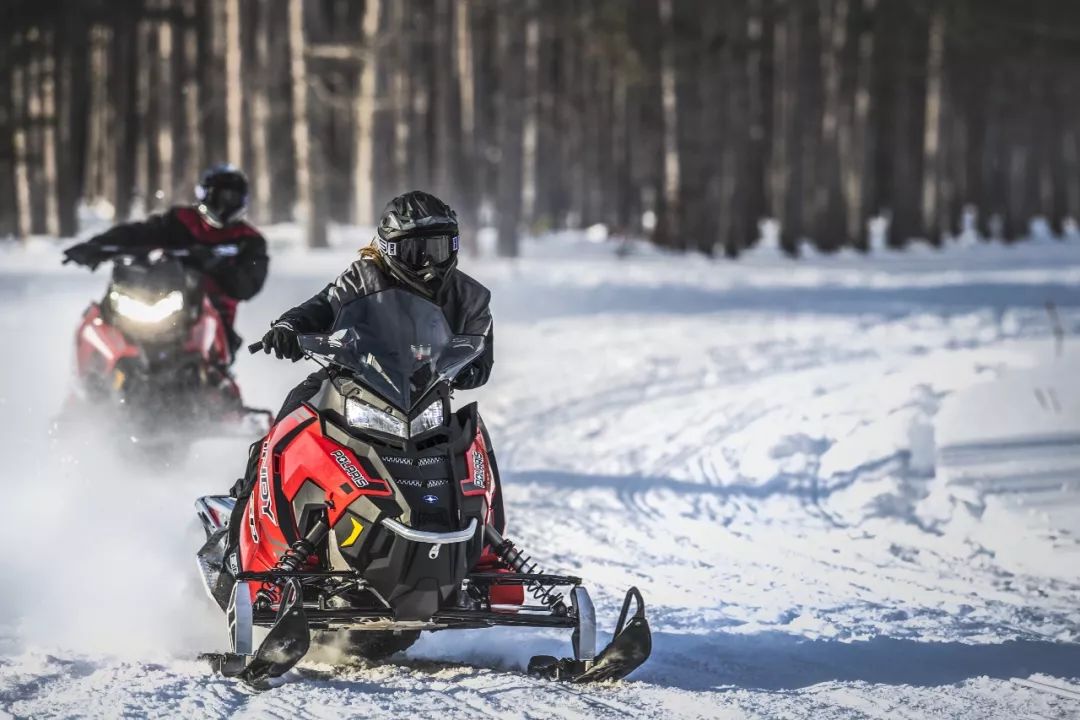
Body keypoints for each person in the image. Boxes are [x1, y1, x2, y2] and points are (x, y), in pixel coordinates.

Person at [259, 189, 493, 422]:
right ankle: (264, 458)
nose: (428, 263)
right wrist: (289, 328)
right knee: (294, 412)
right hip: (356, 385)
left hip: (427, 401)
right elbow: (322, 306)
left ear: (453, 246)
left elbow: (480, 361)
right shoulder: (364, 279)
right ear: (389, 249)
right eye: (414, 252)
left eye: (437, 250)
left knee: (472, 435)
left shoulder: (472, 296)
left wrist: (460, 368)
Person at [62, 164, 269, 357]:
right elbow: (138, 233)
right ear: (206, 194)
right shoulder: (180, 221)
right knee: (102, 315)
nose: (225, 205)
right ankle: (92, 376)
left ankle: (215, 388)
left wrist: (216, 264)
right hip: (162, 297)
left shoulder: (249, 241)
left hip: (212, 316)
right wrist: (97, 247)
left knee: (213, 352)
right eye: (221, 196)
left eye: (232, 198)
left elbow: (248, 285)